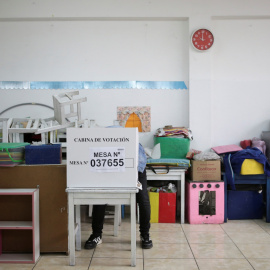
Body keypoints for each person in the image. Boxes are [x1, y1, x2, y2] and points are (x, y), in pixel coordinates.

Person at [84, 143, 153, 250]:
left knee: (143, 198)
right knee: (100, 197)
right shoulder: (105, 142)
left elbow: (139, 167)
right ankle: (96, 235)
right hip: (109, 166)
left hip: (135, 167)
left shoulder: (136, 148)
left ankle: (145, 234)